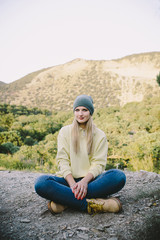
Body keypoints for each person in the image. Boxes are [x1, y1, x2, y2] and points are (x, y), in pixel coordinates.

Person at [35, 95, 126, 214]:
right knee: (41, 183)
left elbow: (98, 164)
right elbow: (62, 160)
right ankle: (99, 205)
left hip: (91, 181)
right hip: (68, 181)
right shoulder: (64, 131)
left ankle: (65, 201)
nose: (80, 114)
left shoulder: (99, 135)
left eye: (85, 110)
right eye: (77, 110)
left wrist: (84, 182)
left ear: (90, 112)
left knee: (118, 176)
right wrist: (73, 184)